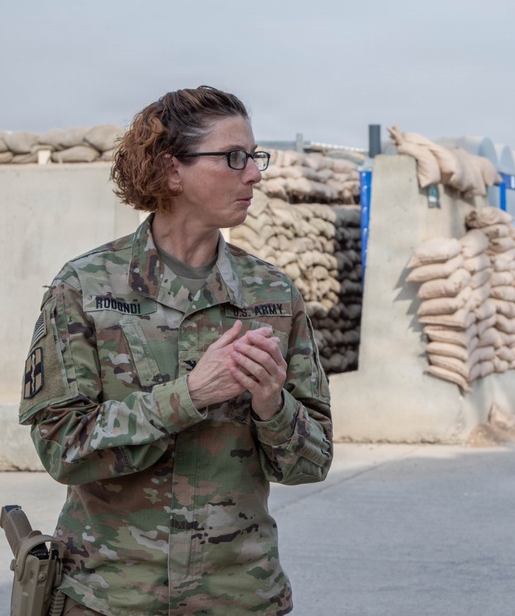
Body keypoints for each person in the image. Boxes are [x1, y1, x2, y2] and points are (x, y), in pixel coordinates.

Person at [19, 86, 333, 615]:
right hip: (109, 597)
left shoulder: (273, 296)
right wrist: (188, 395)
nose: (254, 174)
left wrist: (273, 408)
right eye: (234, 157)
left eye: (255, 157)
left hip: (242, 597)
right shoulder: (85, 287)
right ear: (171, 171)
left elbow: (312, 463)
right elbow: (61, 448)